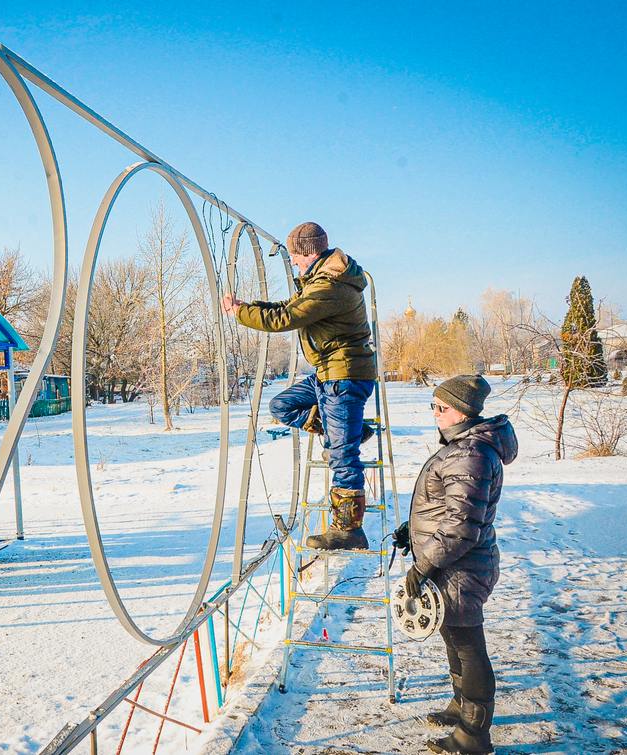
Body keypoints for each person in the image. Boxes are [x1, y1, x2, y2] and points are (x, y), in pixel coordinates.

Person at [221, 221, 377, 550]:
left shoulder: (330, 285)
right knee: (282, 406)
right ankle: (348, 430)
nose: (292, 262)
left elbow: (284, 319)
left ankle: (349, 528)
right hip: (328, 372)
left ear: (309, 253)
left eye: (294, 256)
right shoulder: (321, 279)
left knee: (343, 457)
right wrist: (245, 307)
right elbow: (286, 308)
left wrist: (239, 314)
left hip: (343, 375)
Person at [401, 375, 517, 754]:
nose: (435, 414)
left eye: (442, 407)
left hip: (460, 568)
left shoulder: (470, 453)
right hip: (450, 565)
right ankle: (461, 704)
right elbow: (447, 508)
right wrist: (412, 529)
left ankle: (474, 734)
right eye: (433, 406)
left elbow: (462, 525)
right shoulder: (463, 448)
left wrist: (424, 566)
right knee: (453, 637)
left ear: (463, 411)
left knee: (469, 645)